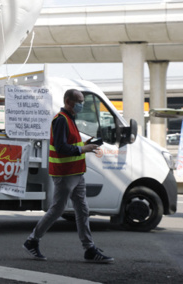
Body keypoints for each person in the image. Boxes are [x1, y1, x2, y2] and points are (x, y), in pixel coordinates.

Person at [22, 89, 114, 263]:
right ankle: (32, 241)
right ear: (68, 101)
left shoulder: (69, 119)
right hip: (65, 173)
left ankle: (89, 249)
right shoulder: (61, 120)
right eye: (78, 100)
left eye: (82, 100)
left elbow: (70, 144)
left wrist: (86, 144)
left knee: (82, 209)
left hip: (76, 172)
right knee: (58, 208)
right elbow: (61, 147)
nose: (81, 104)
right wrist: (82, 149)